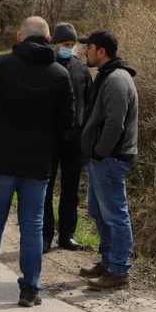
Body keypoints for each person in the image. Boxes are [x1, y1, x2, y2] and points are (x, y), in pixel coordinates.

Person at [0, 16, 74, 308]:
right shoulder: (60, 74)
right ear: (49, 40)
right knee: (32, 226)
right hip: (38, 163)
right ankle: (30, 289)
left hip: (0, 159)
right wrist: (47, 147)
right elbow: (67, 123)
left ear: (20, 37)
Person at [76, 30, 139, 291]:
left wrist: (99, 153)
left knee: (115, 215)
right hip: (102, 159)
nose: (85, 52)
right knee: (97, 211)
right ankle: (107, 262)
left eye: (89, 47)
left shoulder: (116, 79)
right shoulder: (108, 75)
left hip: (110, 159)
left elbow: (115, 124)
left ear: (101, 51)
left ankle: (119, 271)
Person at [43, 23, 92, 253]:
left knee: (71, 189)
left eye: (72, 45)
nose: (69, 48)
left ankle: (66, 235)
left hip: (75, 139)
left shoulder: (81, 68)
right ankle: (45, 235)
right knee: (45, 188)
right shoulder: (45, 66)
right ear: (54, 43)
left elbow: (90, 102)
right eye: (65, 44)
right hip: (50, 139)